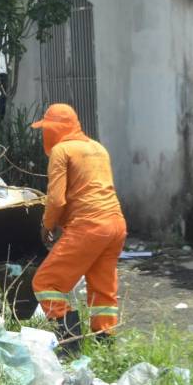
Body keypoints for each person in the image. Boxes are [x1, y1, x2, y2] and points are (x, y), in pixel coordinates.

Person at [29, 103, 126, 351]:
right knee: (102, 289)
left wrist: (47, 225)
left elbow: (57, 199)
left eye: (47, 128)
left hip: (89, 225)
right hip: (115, 224)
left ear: (56, 129)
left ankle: (70, 344)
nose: (45, 134)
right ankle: (106, 346)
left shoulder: (62, 151)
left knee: (46, 283)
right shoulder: (98, 149)